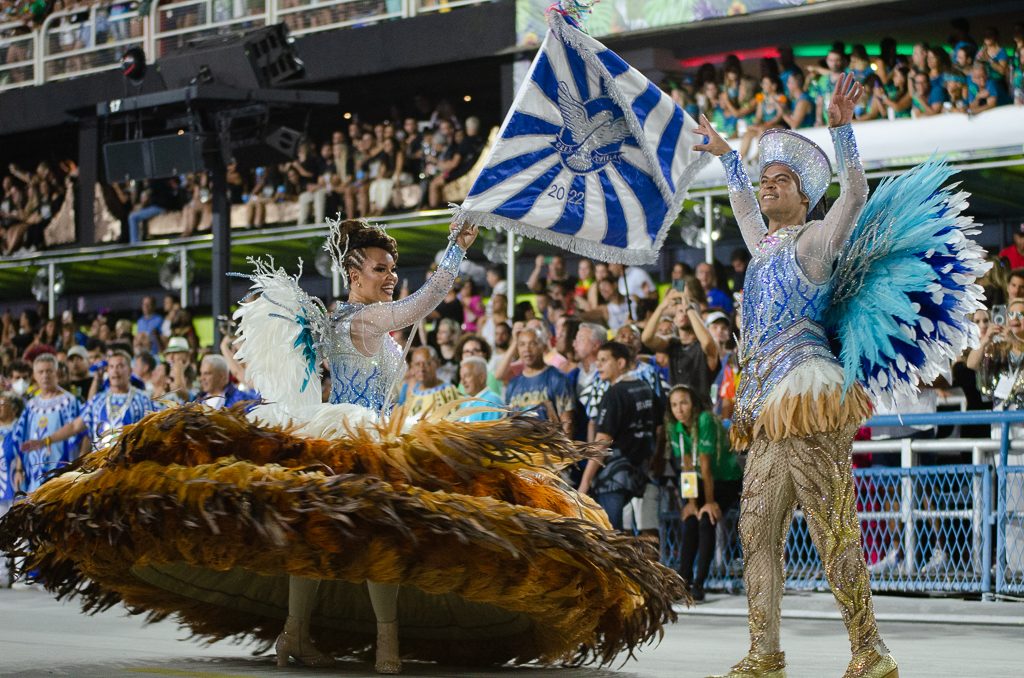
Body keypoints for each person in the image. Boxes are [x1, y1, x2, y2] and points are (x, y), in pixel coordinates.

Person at [693, 73, 899, 678]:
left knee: (832, 528)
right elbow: (741, 210)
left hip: (806, 395)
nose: (766, 188)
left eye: (778, 182)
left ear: (804, 195)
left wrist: (841, 130)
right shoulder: (764, 247)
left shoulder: (812, 240)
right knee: (756, 533)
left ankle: (869, 650)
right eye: (764, 182)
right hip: (762, 407)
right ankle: (765, 652)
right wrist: (731, 161)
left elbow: (855, 196)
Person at [666, 385, 742, 602]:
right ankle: (682, 581)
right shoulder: (676, 427)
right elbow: (687, 467)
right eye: (674, 405)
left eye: (683, 403)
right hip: (698, 480)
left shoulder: (705, 420)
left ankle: (699, 584)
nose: (679, 409)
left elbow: (707, 467)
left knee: (706, 520)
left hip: (725, 480)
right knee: (690, 519)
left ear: (693, 403)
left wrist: (708, 503)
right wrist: (691, 502)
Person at [578, 341, 661, 530]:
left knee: (611, 535)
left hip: (615, 477)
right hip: (642, 472)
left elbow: (602, 441)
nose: (598, 365)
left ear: (621, 363)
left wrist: (585, 481)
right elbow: (659, 427)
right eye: (598, 360)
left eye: (604, 360)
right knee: (644, 534)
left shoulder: (614, 394)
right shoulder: (645, 388)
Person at [21, 351, 156, 455]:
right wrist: (46, 441)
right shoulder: (97, 400)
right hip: (101, 471)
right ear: (107, 371)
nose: (115, 370)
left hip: (131, 469)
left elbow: (151, 435)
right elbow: (75, 426)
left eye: (120, 366)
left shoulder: (143, 400)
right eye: (112, 366)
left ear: (130, 371)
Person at [4, 354, 81, 492]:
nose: (45, 375)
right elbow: (24, 440)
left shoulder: (69, 402)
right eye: (41, 372)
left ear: (56, 373)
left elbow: (81, 435)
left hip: (62, 473)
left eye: (49, 371)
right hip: (33, 474)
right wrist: (19, 469)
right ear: (34, 375)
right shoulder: (31, 406)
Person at [504, 325, 574, 437]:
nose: (527, 349)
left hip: (548, 450)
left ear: (543, 346)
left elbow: (567, 424)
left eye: (533, 343)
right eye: (522, 344)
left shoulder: (557, 378)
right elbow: (508, 424)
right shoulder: (513, 384)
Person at [397, 346, 460, 417]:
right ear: (412, 366)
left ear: (437, 363)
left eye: (427, 363)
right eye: (417, 364)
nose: (422, 369)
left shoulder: (448, 391)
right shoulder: (412, 394)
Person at [191, 354, 256, 409]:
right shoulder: (196, 400)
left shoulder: (242, 399)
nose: (202, 378)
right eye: (201, 374)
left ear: (222, 376)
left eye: (207, 373)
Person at [456, 356, 504, 423]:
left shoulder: (492, 403)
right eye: (461, 378)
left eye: (467, 376)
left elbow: (490, 433)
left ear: (481, 377)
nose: (462, 382)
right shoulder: (464, 402)